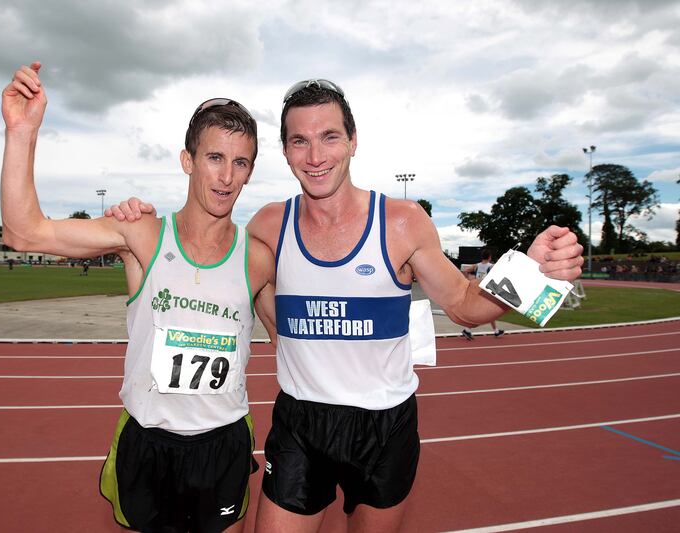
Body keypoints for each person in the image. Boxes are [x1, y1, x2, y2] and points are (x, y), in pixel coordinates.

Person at [109, 79, 584, 533]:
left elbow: (462, 304)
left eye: (329, 137)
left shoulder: (402, 222)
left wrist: (532, 273)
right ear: (286, 152)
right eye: (300, 141)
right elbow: (227, 282)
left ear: (353, 141)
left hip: (385, 425)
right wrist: (136, 220)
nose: (315, 156)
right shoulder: (269, 227)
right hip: (301, 423)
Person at [0, 61, 275, 533]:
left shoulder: (258, 259)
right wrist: (22, 132)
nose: (227, 176)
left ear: (250, 171)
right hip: (148, 442)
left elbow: (296, 343)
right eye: (215, 157)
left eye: (240, 162)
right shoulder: (140, 234)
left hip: (224, 443)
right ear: (187, 160)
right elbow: (24, 233)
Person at [460, 249, 504, 339]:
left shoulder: (477, 265)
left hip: (476, 289)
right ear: (489, 257)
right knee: (487, 311)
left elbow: (465, 271)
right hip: (485, 291)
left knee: (488, 311)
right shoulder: (491, 266)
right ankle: (467, 329)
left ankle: (495, 331)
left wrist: (468, 280)